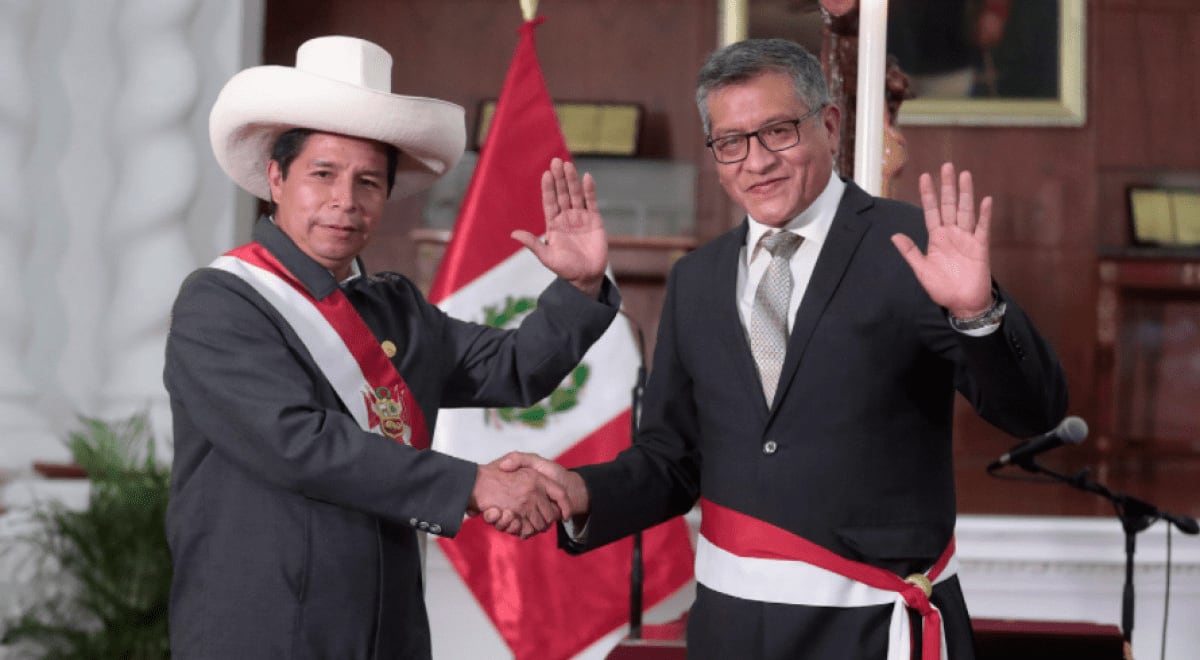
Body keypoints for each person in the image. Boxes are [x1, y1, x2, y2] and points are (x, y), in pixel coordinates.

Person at [498, 38, 1068, 659]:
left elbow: (1034, 412)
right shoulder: (697, 279)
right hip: (731, 630)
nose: (756, 161)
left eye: (777, 131)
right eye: (731, 142)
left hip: (871, 628)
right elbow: (673, 459)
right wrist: (579, 493)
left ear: (827, 125)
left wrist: (976, 313)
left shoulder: (913, 246)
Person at [163, 36, 613, 659]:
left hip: (388, 630)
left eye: (368, 182)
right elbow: (300, 445)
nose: (345, 201)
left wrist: (580, 285)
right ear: (276, 177)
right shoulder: (221, 302)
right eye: (323, 175)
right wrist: (471, 485)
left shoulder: (393, 305)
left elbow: (514, 371)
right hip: (265, 631)